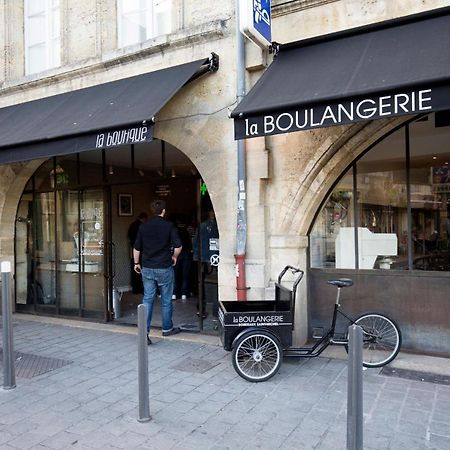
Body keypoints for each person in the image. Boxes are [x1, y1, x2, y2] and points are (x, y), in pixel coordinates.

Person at [133, 200, 182, 344]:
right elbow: (178, 246)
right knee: (166, 300)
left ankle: (144, 333)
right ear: (164, 211)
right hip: (164, 267)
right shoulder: (169, 226)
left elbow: (137, 247)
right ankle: (167, 329)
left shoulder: (143, 227)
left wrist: (136, 263)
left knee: (148, 299)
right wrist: (174, 257)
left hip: (147, 268)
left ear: (152, 210)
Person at [172, 214, 193, 302]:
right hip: (187, 253)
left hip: (177, 254)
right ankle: (184, 293)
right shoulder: (189, 229)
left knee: (175, 275)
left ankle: (174, 293)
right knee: (185, 275)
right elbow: (192, 240)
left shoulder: (174, 229)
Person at [127, 212, 148, 294]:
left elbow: (129, 237)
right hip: (142, 251)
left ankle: (135, 289)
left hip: (133, 249)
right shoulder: (142, 226)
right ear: (144, 218)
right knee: (142, 270)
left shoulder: (132, 225)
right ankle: (142, 288)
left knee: (134, 269)